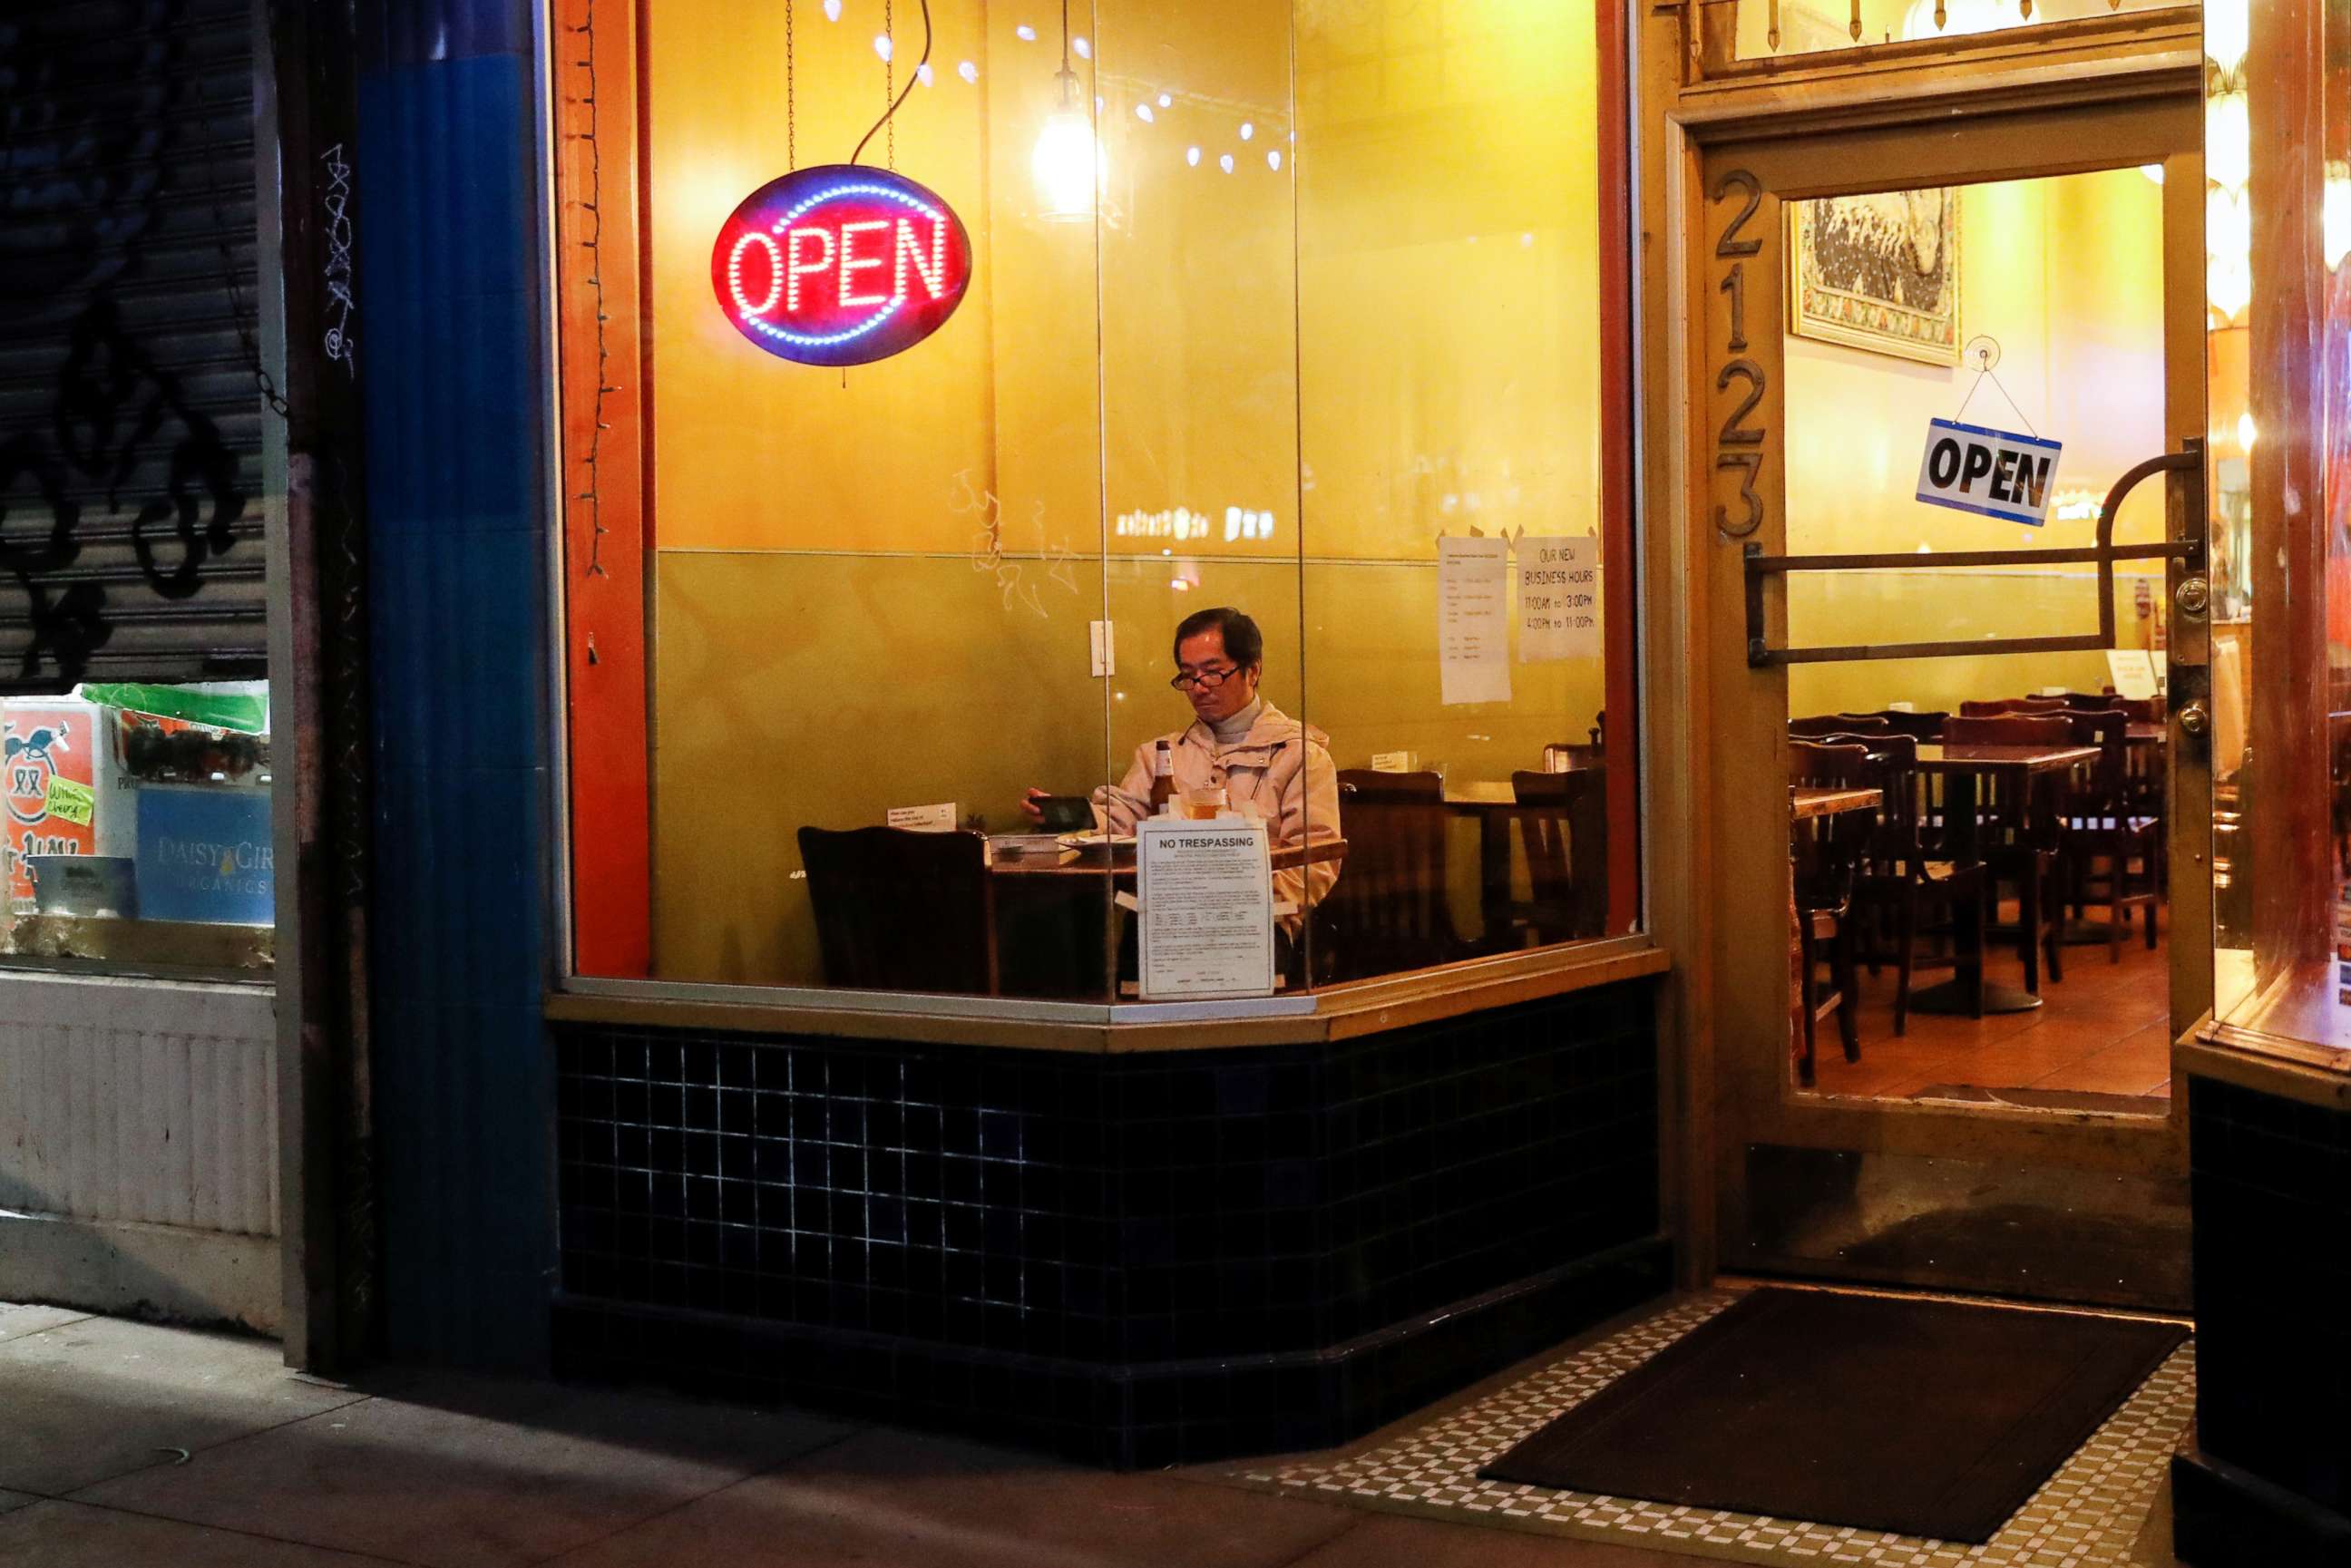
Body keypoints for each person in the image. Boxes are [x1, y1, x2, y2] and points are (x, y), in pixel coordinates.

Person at [1025, 606, 1341, 932]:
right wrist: (1072, 815)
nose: (1199, 687)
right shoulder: (1161, 755)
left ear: (1253, 670)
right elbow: (1122, 819)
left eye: (1213, 672)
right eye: (1188, 675)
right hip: (1169, 920)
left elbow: (1317, 861)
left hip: (1256, 922)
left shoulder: (1298, 755)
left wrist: (1237, 901)